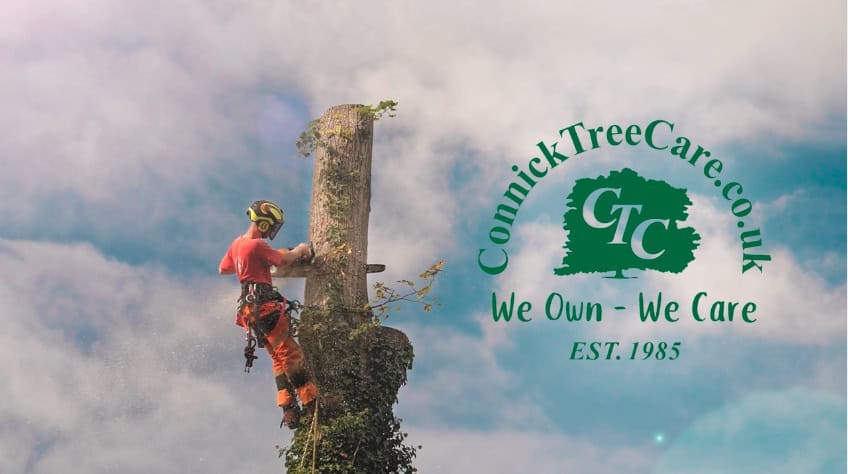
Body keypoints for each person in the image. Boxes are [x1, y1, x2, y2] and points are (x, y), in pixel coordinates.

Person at [219, 200, 319, 429]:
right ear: (263, 223)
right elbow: (283, 260)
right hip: (264, 306)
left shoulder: (238, 244)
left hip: (248, 311)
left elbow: (224, 268)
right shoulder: (257, 245)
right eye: (271, 226)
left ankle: (288, 409)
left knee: (277, 357)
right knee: (290, 354)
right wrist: (300, 251)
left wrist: (252, 262)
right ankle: (311, 402)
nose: (271, 231)